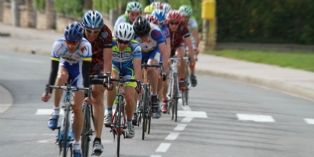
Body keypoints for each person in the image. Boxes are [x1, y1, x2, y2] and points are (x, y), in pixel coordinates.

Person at [41, 22, 92, 157]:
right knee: (61, 76)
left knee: (77, 108)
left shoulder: (86, 47)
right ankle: (56, 111)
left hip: (79, 72)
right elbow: (53, 70)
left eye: (74, 43)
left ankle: (76, 144)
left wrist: (86, 93)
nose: (70, 46)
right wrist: (48, 91)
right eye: (69, 42)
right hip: (65, 67)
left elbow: (86, 73)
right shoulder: (58, 45)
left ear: (80, 40)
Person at [81, 10, 113, 155]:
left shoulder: (106, 33)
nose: (92, 35)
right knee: (77, 92)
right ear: (83, 28)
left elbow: (107, 61)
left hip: (98, 62)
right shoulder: (78, 32)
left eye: (96, 32)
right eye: (89, 31)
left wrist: (106, 76)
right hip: (81, 61)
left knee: (97, 93)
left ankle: (98, 140)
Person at [106, 22, 142, 138]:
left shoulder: (135, 47)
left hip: (128, 70)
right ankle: (109, 111)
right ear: (116, 37)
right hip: (114, 67)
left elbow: (137, 67)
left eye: (126, 42)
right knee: (112, 80)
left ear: (130, 40)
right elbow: (106, 62)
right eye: (120, 41)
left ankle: (130, 122)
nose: (122, 44)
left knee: (130, 96)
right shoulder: (110, 43)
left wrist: (138, 82)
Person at [133, 16, 169, 119]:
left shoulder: (156, 32)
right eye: (140, 35)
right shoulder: (132, 33)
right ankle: (137, 104)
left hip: (153, 51)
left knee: (151, 67)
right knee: (136, 73)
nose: (143, 37)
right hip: (139, 52)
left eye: (145, 34)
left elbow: (165, 53)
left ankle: (154, 98)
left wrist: (165, 71)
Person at [166, 10, 195, 104]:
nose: (174, 25)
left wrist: (192, 57)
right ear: (168, 22)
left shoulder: (183, 28)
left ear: (180, 23)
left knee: (181, 55)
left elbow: (189, 44)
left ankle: (181, 79)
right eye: (171, 23)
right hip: (168, 46)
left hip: (178, 45)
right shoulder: (164, 27)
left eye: (176, 23)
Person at [151, 9, 171, 113]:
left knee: (160, 76)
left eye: (161, 23)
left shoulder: (165, 30)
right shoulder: (149, 28)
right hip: (150, 50)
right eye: (156, 23)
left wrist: (166, 63)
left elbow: (167, 47)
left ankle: (159, 98)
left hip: (159, 50)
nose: (159, 25)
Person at [179, 5, 200, 87]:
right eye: (183, 17)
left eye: (187, 17)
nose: (184, 19)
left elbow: (196, 36)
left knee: (192, 57)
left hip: (189, 40)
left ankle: (192, 74)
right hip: (180, 41)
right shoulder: (177, 21)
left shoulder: (192, 21)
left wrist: (196, 48)